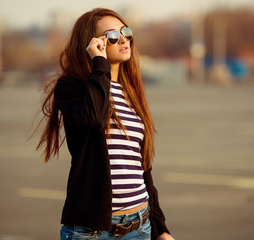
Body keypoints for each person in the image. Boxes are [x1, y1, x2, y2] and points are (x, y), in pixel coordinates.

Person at [35, 8, 175, 240]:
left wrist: (160, 228)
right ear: (93, 44)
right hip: (92, 232)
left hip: (139, 226)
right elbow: (93, 120)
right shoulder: (72, 88)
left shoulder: (131, 92)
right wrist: (99, 64)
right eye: (111, 36)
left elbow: (143, 167)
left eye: (126, 32)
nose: (123, 39)